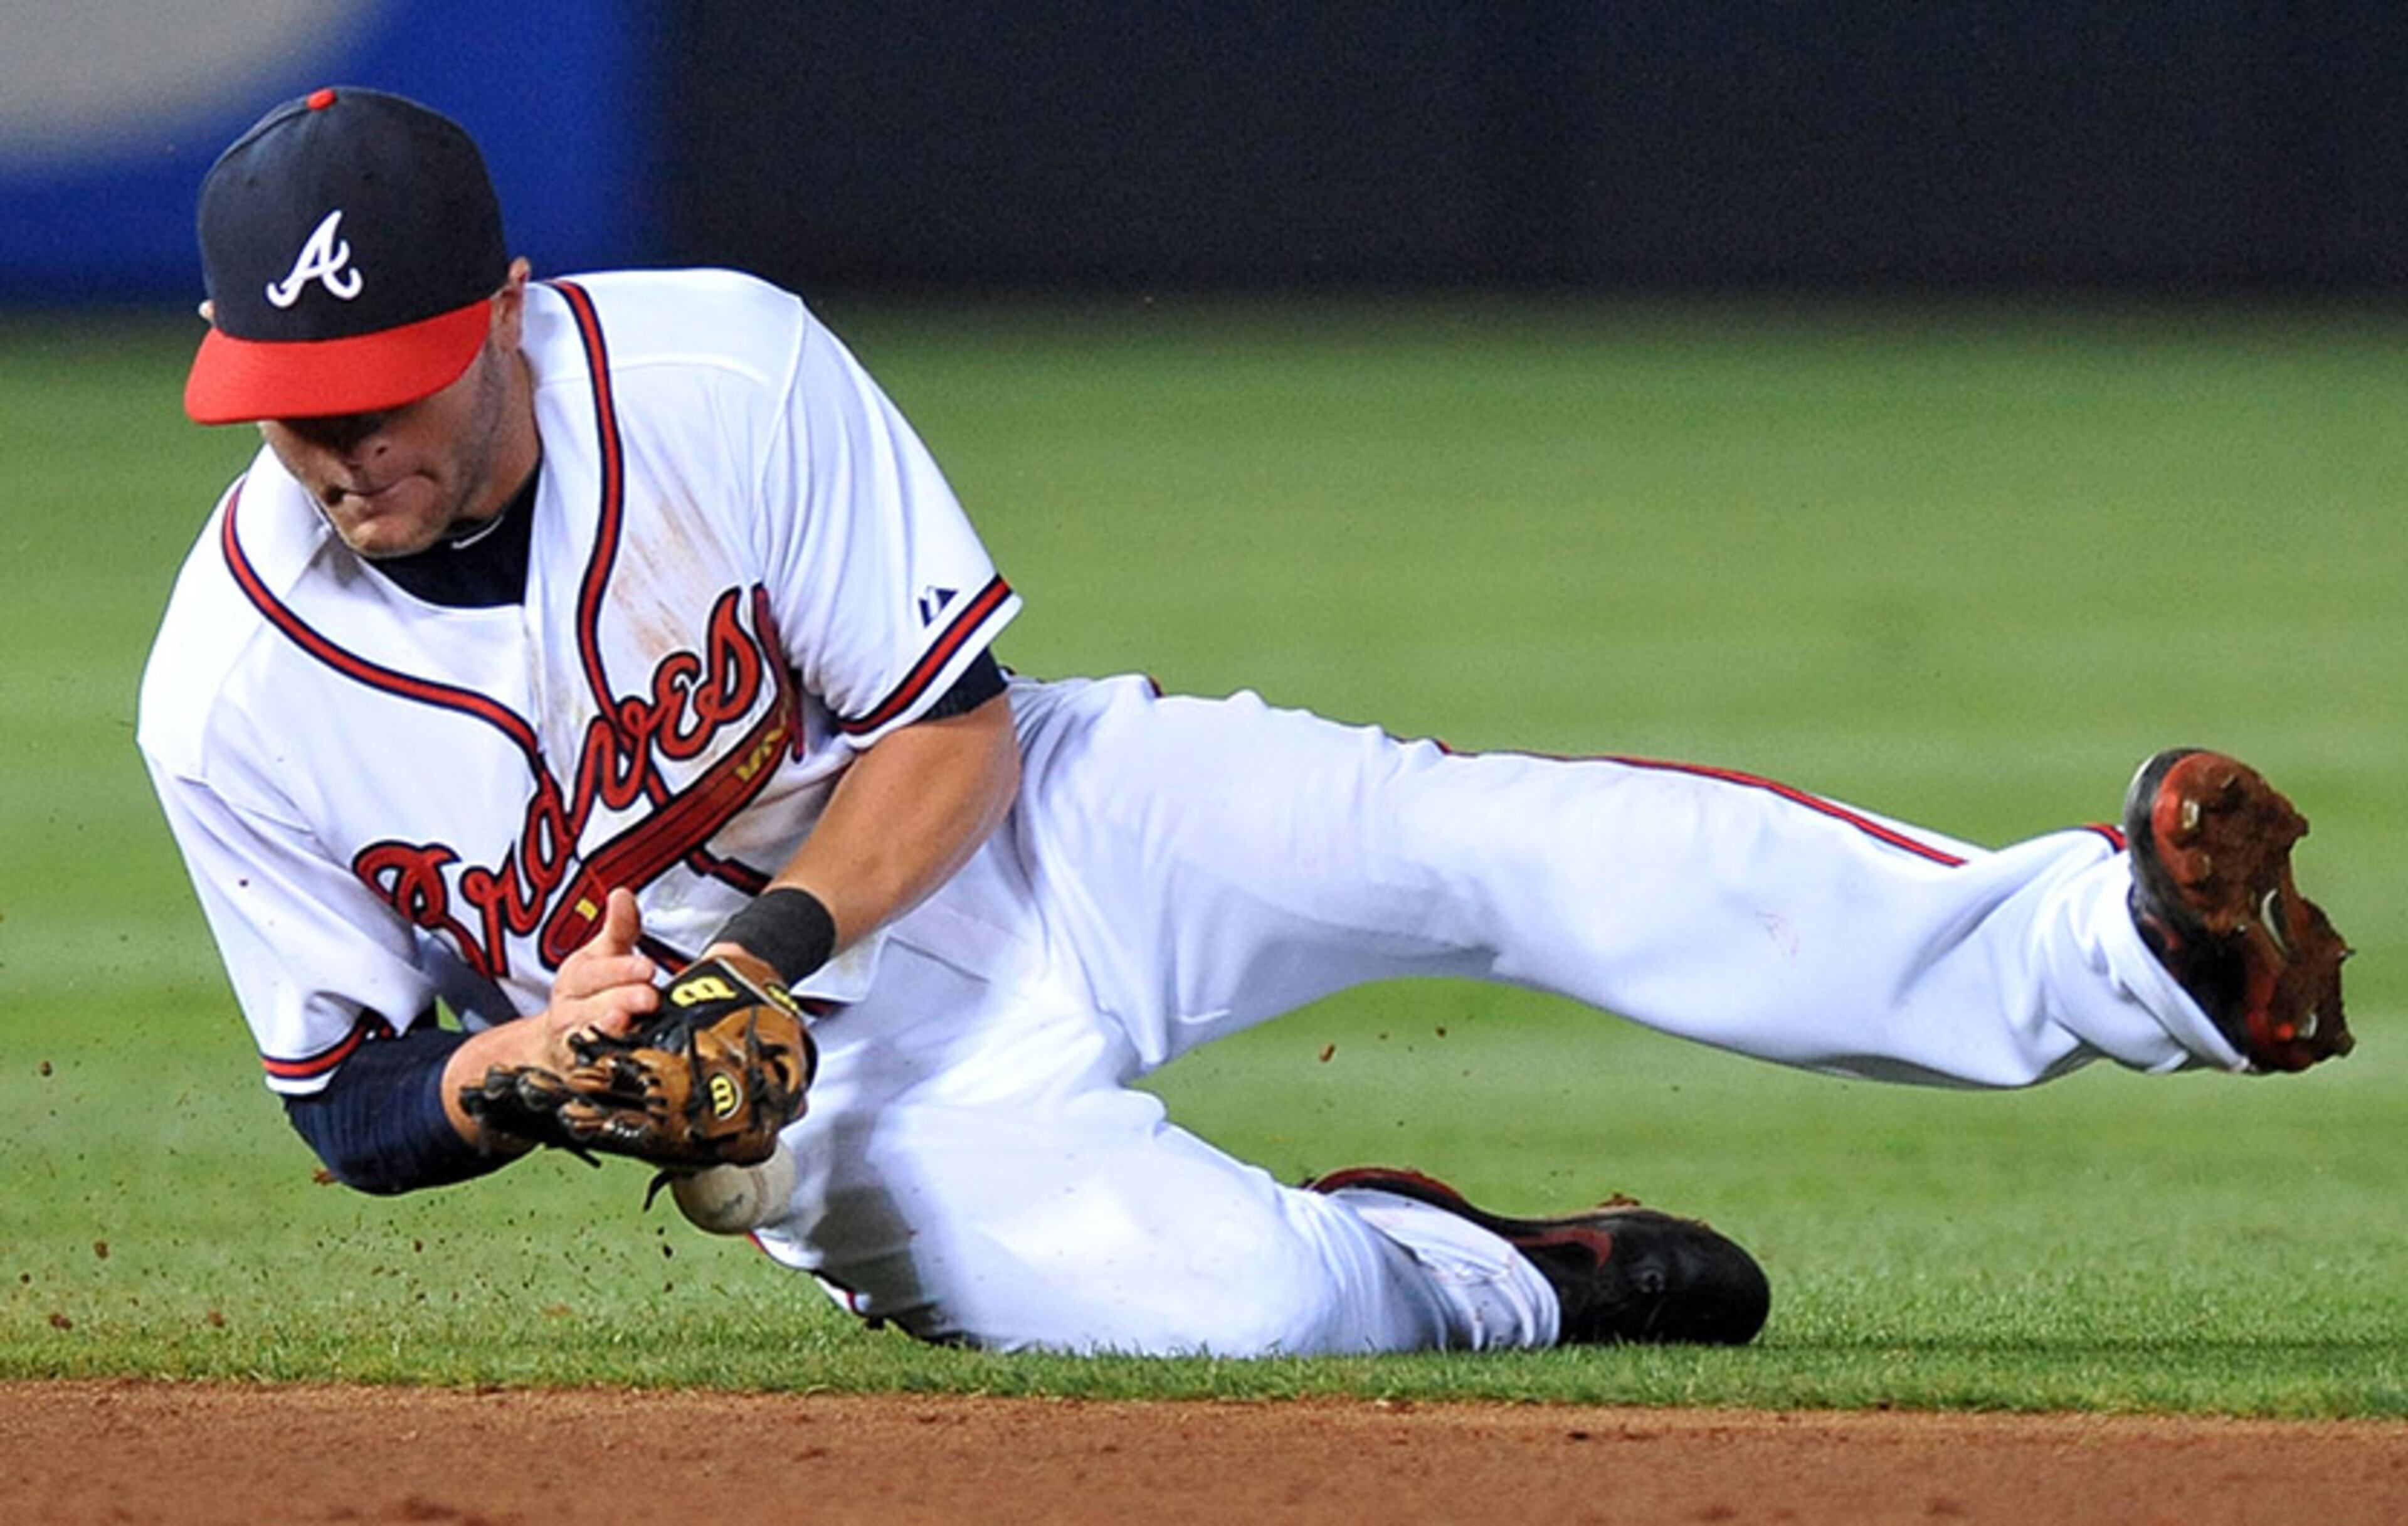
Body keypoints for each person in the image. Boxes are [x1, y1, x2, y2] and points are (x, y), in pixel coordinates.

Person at [139, 87, 2350, 1357]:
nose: (340, 447)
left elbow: (952, 734)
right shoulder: (230, 695)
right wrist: (527, 1067)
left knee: (1501, 840)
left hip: (1029, 834)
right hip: (858, 1113)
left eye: (385, 384)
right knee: (1270, 1316)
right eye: (287, 406)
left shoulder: (718, 370)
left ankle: (2120, 950)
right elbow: (350, 1101)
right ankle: (1478, 1273)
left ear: (512, 312)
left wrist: (759, 952)